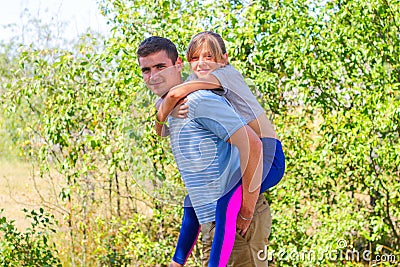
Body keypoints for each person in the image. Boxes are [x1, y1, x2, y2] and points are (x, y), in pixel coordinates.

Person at [154, 31, 286, 266]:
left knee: (225, 203)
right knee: (194, 199)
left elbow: (174, 93)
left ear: (224, 59)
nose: (202, 62)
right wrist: (167, 110)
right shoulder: (202, 86)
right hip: (253, 155)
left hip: (268, 156)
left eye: (209, 56)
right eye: (195, 58)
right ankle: (178, 261)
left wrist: (165, 111)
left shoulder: (226, 75)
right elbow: (166, 103)